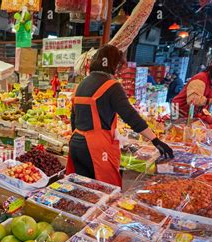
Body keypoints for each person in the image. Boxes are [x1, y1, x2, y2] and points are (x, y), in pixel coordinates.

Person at [66, 45, 174, 188]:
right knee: (104, 190)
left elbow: (74, 119)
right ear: (113, 65)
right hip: (96, 147)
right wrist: (155, 140)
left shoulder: (81, 85)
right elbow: (131, 116)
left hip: (76, 143)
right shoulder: (111, 86)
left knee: (82, 189)